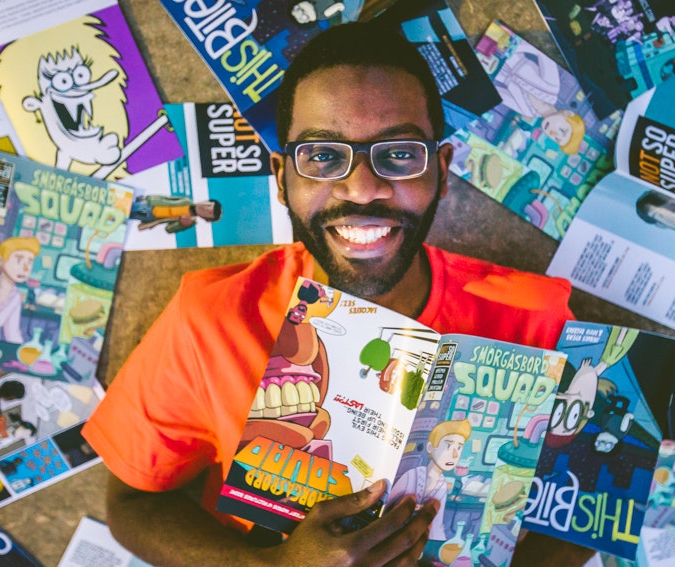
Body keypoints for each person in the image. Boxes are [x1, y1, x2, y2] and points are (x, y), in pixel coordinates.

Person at [83, 22, 585, 566]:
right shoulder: (212, 320)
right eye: (322, 156)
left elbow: (581, 520)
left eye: (399, 153)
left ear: (441, 172)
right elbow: (132, 503)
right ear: (282, 178)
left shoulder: (540, 322)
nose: (362, 189)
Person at [387, 420, 471, 541]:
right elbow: (385, 505)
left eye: (459, 448)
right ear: (430, 448)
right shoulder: (411, 476)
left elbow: (436, 525)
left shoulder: (442, 486)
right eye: (448, 446)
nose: (454, 455)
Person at [130, 195, 223, 234]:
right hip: (151, 204)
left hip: (151, 217)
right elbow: (167, 198)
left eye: (209, 213)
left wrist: (181, 224)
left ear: (207, 219)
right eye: (208, 205)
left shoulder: (190, 221)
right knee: (129, 207)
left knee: (129, 214)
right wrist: (148, 197)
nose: (205, 208)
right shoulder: (186, 200)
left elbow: (168, 229)